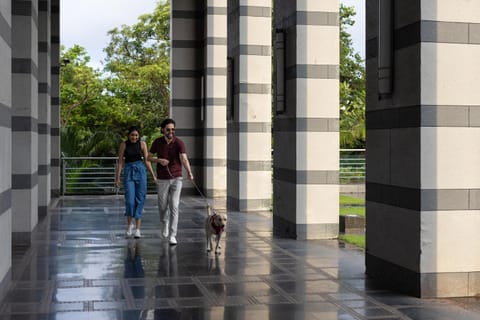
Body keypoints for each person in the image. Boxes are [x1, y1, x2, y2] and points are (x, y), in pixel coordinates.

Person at [148, 118, 194, 245]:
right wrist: (160, 160)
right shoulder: (157, 142)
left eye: (173, 129)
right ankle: (165, 223)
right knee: (163, 206)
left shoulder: (179, 142)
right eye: (168, 129)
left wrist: (189, 172)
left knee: (174, 206)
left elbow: (184, 159)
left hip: (176, 178)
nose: (171, 131)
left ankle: (173, 235)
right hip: (162, 179)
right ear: (163, 130)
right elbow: (148, 157)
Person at [116, 125, 156, 238]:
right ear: (128, 135)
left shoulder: (142, 144)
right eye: (132, 135)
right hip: (128, 171)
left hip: (140, 170)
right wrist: (118, 177)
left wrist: (153, 175)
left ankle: (138, 229)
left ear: (139, 136)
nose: (134, 137)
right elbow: (120, 162)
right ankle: (129, 225)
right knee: (129, 200)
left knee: (140, 198)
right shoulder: (124, 145)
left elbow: (147, 160)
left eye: (136, 135)